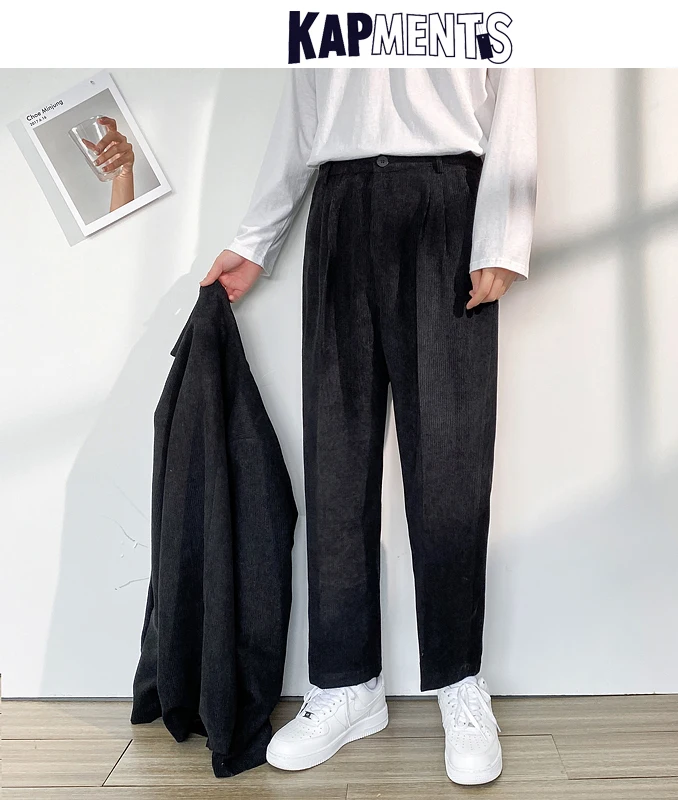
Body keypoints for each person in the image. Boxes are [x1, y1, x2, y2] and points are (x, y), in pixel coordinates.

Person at [201, 67, 537, 786]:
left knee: (450, 457)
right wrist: (256, 238)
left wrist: (504, 238)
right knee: (336, 455)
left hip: (448, 201)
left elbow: (514, 96)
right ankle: (346, 683)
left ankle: (459, 681)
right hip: (340, 203)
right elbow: (303, 110)